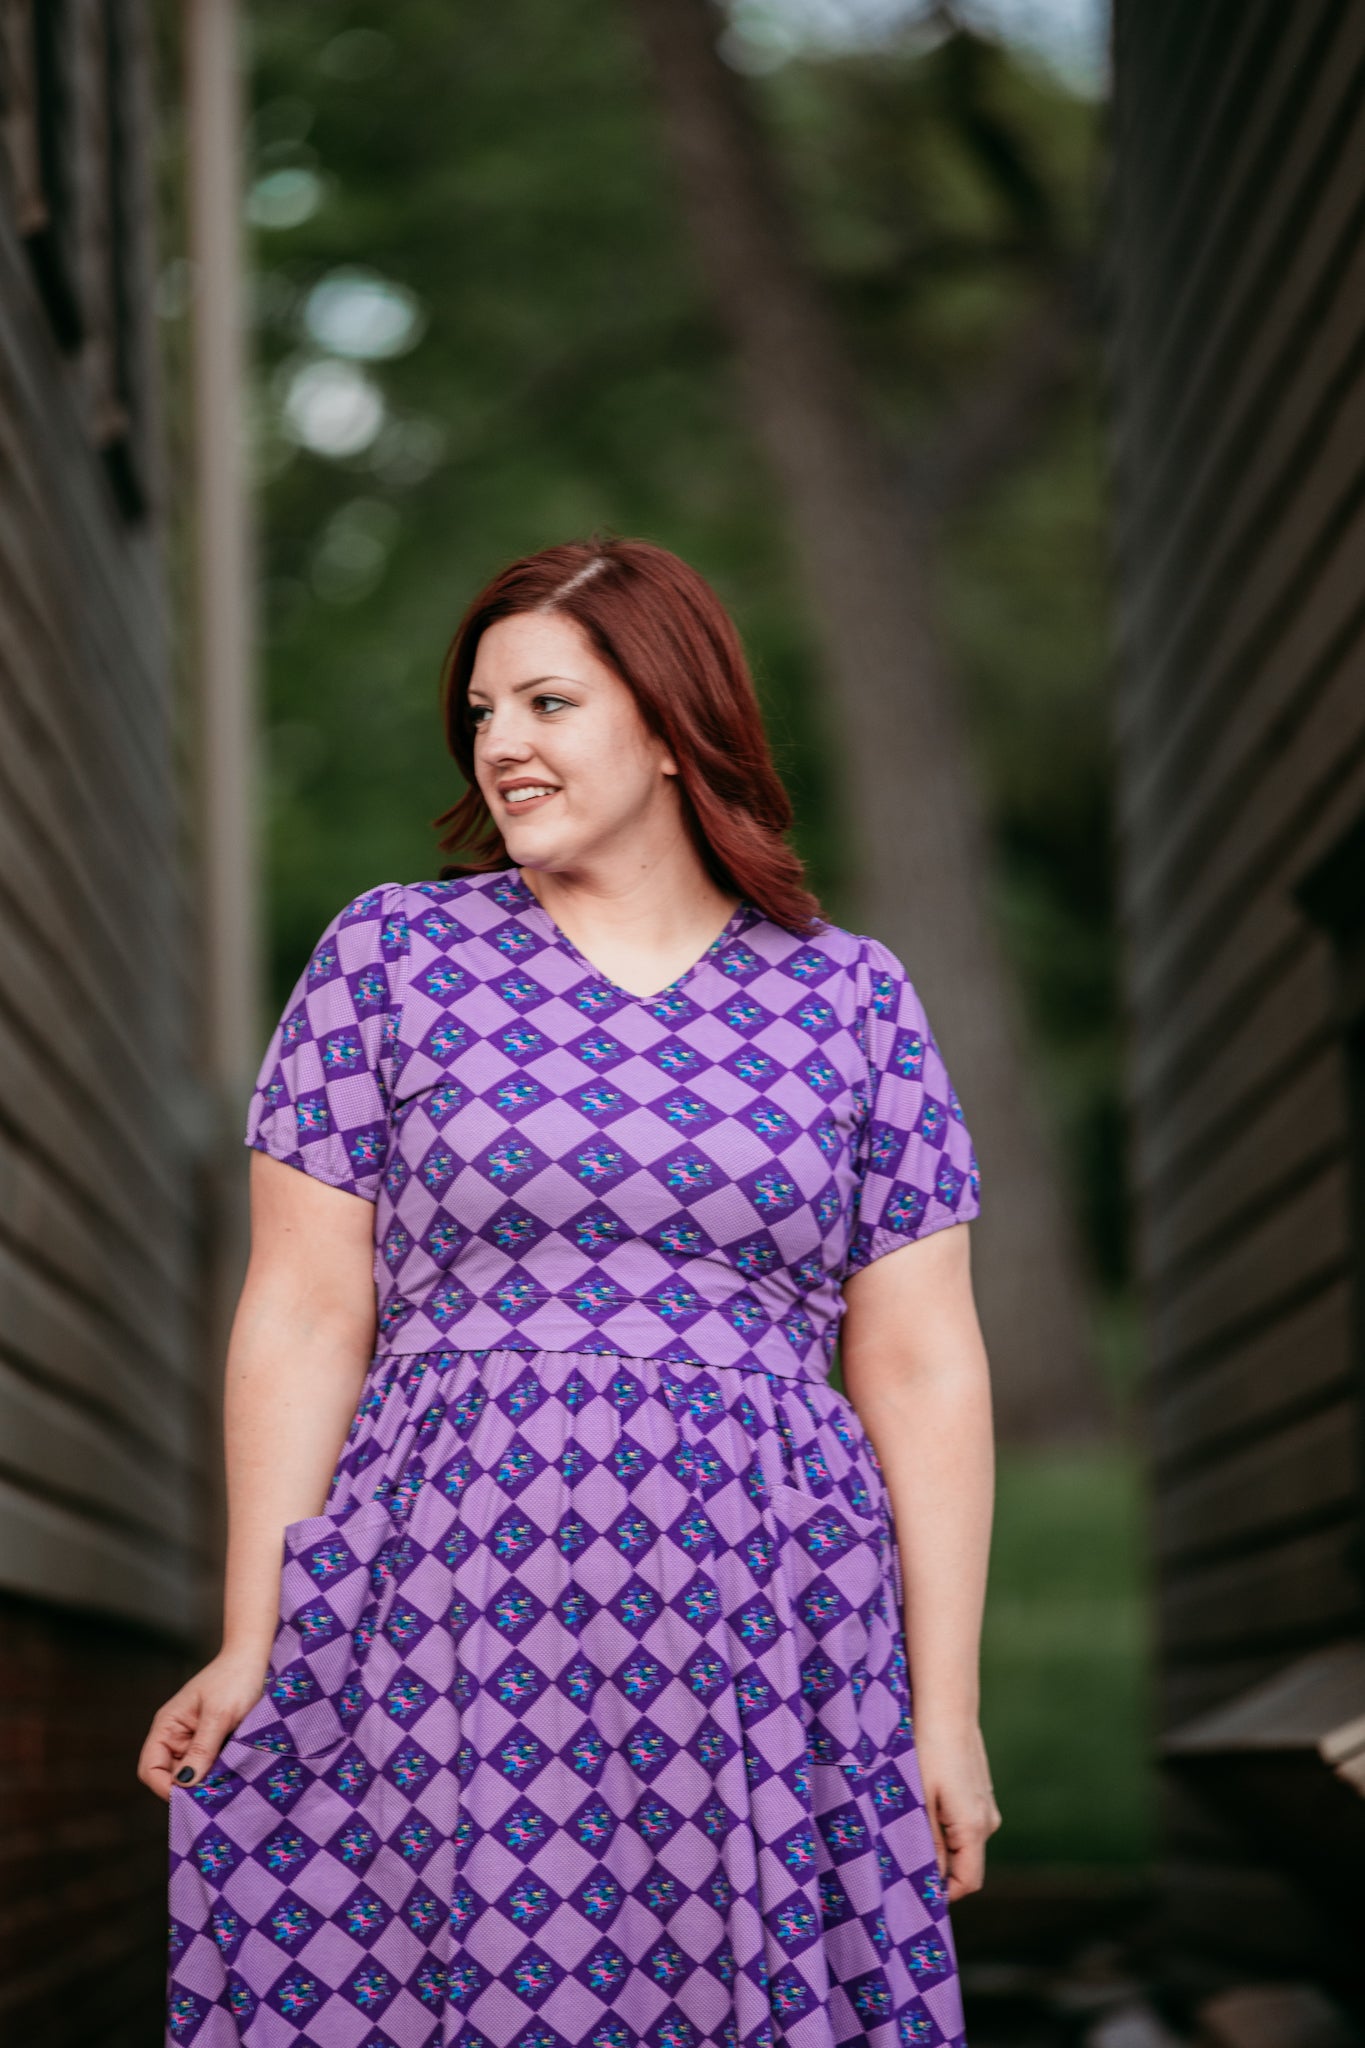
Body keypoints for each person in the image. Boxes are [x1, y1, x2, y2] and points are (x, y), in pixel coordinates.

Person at [144, 537, 999, 2048]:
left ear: (672, 726)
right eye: (480, 714)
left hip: (767, 1618)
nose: (501, 748)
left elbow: (923, 1366)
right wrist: (252, 1630)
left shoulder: (848, 999)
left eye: (546, 703)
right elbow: (302, 1307)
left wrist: (943, 1711)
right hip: (443, 1599)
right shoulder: (391, 958)